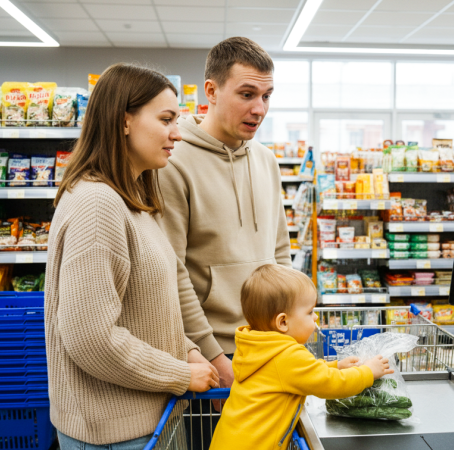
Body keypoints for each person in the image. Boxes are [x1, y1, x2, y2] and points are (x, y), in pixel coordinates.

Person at [44, 63, 220, 450]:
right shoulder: (97, 205)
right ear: (124, 121)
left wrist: (186, 347)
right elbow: (91, 338)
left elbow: (145, 304)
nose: (177, 133)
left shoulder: (134, 198)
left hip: (146, 420)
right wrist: (178, 372)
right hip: (114, 432)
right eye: (166, 119)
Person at [157, 36, 291, 389]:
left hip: (270, 346)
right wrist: (212, 356)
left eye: (266, 96)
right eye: (246, 95)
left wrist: (289, 331)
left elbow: (279, 254)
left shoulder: (266, 161)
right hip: (214, 355)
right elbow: (172, 270)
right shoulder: (173, 162)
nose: (259, 108)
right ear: (211, 91)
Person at [209, 265, 393, 449]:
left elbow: (304, 371)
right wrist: (367, 372)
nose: (315, 318)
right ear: (283, 322)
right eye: (310, 312)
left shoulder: (260, 346)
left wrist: (336, 366)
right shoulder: (286, 355)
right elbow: (331, 384)